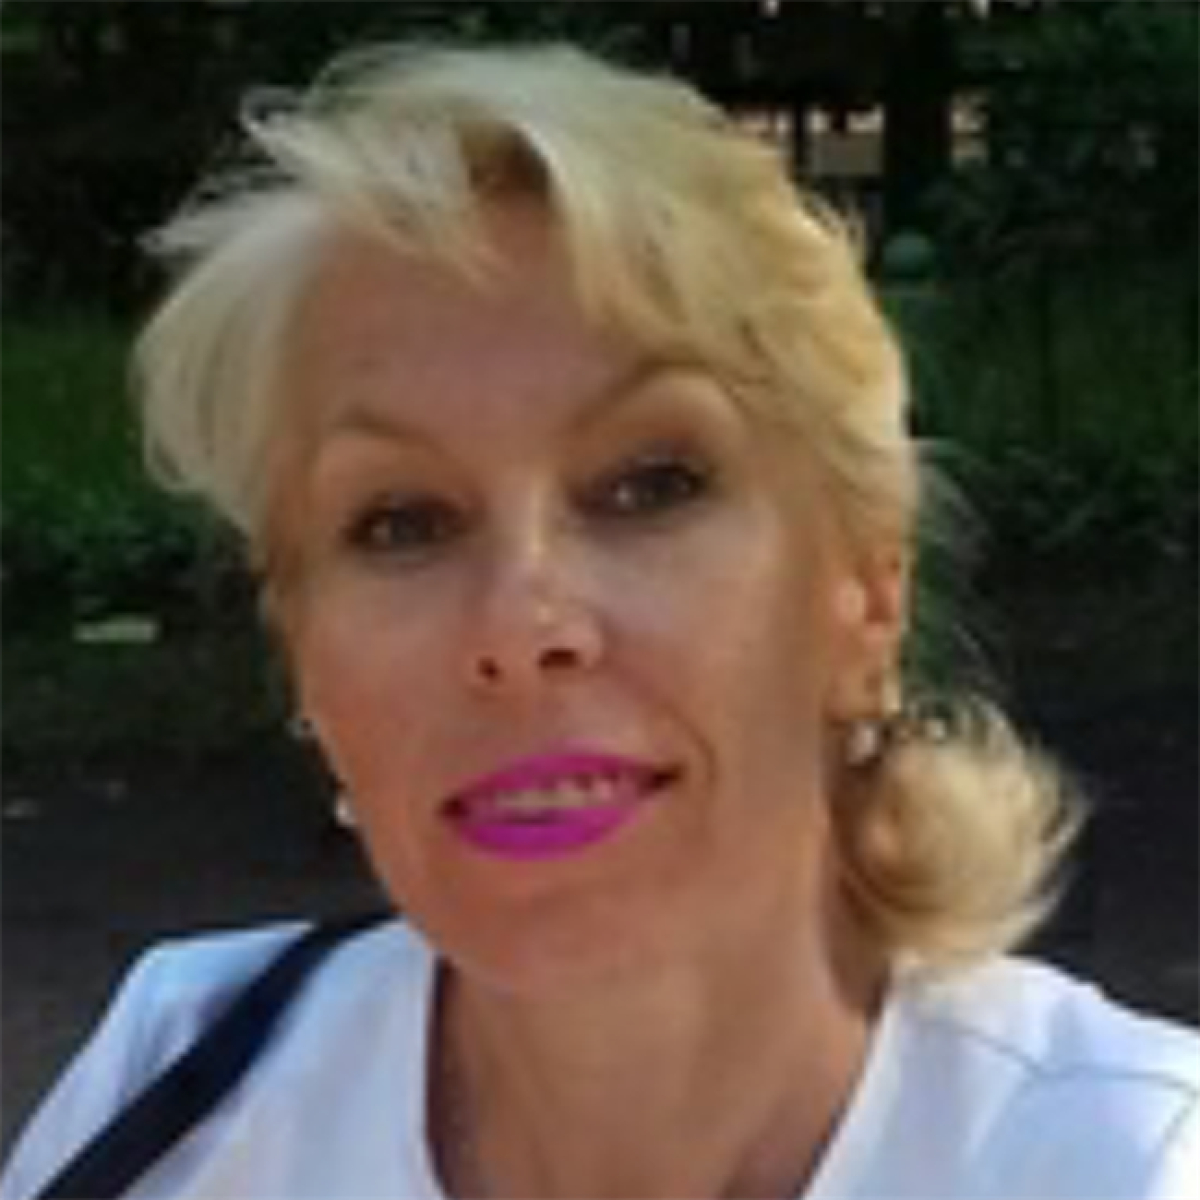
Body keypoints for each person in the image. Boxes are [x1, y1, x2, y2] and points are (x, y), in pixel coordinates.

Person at [4, 41, 1197, 1200]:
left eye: (648, 486)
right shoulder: (172, 1098)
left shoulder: (1130, 1161)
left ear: (867, 594)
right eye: (401, 522)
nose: (521, 625)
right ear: (304, 656)